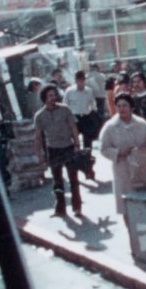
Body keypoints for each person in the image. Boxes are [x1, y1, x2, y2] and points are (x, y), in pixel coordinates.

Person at [99, 92, 146, 214]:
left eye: (125, 105)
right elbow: (103, 149)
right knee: (126, 206)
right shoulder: (110, 127)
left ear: (131, 108)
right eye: (118, 106)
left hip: (143, 169)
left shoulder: (142, 123)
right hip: (122, 170)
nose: (121, 109)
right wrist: (119, 153)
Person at [34, 83, 82, 217]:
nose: (53, 98)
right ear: (44, 98)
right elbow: (38, 137)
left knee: (73, 180)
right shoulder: (39, 116)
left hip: (68, 148)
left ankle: (77, 208)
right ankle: (60, 209)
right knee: (57, 182)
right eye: (50, 96)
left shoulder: (65, 109)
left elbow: (73, 127)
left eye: (55, 95)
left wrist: (77, 144)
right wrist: (39, 156)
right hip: (53, 150)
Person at [64, 71, 99, 151]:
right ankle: (76, 155)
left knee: (88, 140)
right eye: (79, 80)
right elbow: (65, 104)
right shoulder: (69, 91)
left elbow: (93, 103)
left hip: (86, 117)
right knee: (74, 140)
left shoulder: (89, 91)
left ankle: (87, 155)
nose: (81, 82)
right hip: (74, 118)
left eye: (82, 80)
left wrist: (93, 112)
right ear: (76, 80)